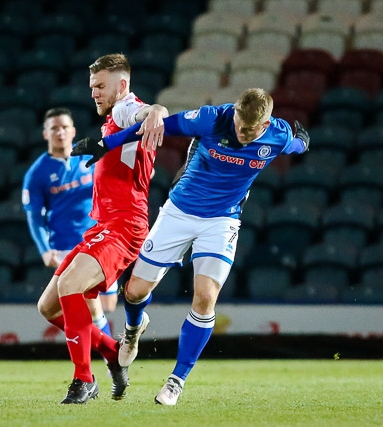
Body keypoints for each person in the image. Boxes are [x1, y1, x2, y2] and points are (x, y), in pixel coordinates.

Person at [71, 87, 310, 405]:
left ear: (264, 126)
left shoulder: (276, 136)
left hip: (222, 221)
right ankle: (133, 328)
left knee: (206, 297)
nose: (240, 133)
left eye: (249, 130)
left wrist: (303, 142)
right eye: (239, 124)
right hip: (178, 213)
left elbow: (295, 144)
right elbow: (157, 126)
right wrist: (106, 143)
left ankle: (176, 381)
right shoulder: (211, 119)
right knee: (134, 292)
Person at [36, 53, 169, 404]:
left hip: (125, 226)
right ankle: (112, 352)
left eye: (100, 86)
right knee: (48, 307)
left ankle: (84, 380)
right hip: (104, 225)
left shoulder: (126, 107)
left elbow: (144, 112)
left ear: (121, 85)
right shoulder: (113, 119)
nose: (93, 92)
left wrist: (155, 110)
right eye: (92, 86)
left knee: (69, 286)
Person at [22, 107, 118, 339]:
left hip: (99, 240)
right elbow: (34, 216)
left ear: (73, 131)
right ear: (45, 134)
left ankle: (98, 342)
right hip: (66, 246)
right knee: (89, 301)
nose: (60, 132)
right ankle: (108, 357)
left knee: (108, 306)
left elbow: (112, 180)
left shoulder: (88, 159)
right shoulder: (37, 173)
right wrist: (45, 251)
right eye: (54, 128)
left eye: (64, 127)